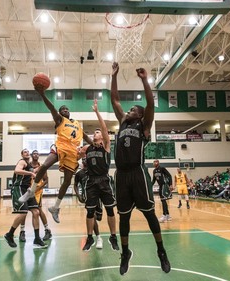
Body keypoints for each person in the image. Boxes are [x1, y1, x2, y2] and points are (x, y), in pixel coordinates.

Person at [110, 62, 171, 275]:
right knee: (124, 217)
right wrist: (114, 76)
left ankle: (161, 251)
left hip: (137, 173)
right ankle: (125, 253)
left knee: (149, 215)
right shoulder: (123, 122)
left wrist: (145, 80)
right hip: (121, 175)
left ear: (141, 115)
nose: (129, 109)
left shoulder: (144, 127)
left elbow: (150, 103)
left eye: (133, 109)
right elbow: (115, 99)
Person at [18, 83, 93, 224]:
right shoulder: (60, 120)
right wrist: (42, 94)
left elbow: (86, 138)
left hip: (72, 152)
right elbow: (52, 108)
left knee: (67, 181)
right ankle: (31, 191)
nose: (65, 110)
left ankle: (56, 207)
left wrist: (94, 144)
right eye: (62, 109)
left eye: (67, 109)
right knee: (44, 166)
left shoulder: (77, 124)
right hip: (60, 146)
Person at [79, 99, 119, 252]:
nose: (96, 133)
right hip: (91, 181)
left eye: (98, 132)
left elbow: (103, 128)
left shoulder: (106, 146)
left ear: (102, 136)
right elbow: (76, 154)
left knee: (110, 210)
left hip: (104, 180)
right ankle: (90, 238)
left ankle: (113, 237)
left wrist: (96, 112)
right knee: (90, 211)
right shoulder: (87, 148)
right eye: (94, 132)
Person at [4, 149, 47, 249]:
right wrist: (31, 174)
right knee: (23, 212)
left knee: (36, 212)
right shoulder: (22, 162)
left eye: (28, 151)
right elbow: (17, 170)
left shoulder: (30, 166)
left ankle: (37, 239)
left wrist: (44, 165)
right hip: (18, 188)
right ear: (22, 155)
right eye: (25, 152)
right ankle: (9, 234)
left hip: (27, 190)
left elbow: (35, 170)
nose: (27, 153)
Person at [18, 150, 53, 243]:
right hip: (27, 190)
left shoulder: (42, 167)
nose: (36, 155)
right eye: (34, 153)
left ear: (39, 155)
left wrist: (37, 189)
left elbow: (46, 180)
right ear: (31, 155)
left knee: (38, 211)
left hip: (37, 192)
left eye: (37, 153)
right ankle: (22, 231)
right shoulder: (27, 165)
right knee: (24, 211)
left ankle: (47, 230)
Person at [73, 158, 103, 250]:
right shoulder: (79, 174)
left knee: (97, 218)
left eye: (87, 159)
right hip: (88, 198)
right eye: (83, 160)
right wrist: (78, 195)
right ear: (82, 162)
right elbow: (75, 184)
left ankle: (95, 235)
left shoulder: (95, 170)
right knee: (92, 215)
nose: (85, 161)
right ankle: (98, 238)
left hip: (98, 197)